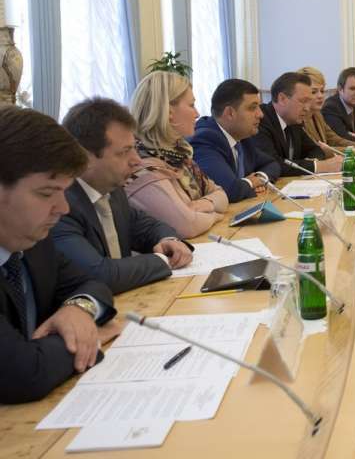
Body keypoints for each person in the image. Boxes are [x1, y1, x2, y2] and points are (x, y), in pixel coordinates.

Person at [0, 106, 120, 404]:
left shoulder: (32, 242)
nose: (63, 208)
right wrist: (85, 338)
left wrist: (78, 309)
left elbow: (92, 284)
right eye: (46, 193)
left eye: (64, 192)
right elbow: (23, 374)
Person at [52, 99, 194, 295]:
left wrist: (169, 240)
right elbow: (100, 275)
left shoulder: (113, 190)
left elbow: (149, 226)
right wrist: (163, 259)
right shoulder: (60, 206)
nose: (137, 160)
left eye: (134, 147)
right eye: (124, 152)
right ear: (85, 157)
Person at [126, 71, 228, 239]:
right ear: (168, 112)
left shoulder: (179, 157)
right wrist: (215, 216)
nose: (197, 113)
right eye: (191, 105)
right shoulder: (141, 165)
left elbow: (221, 195)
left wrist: (205, 203)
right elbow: (186, 226)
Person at [190, 79, 281, 202]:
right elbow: (229, 190)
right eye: (252, 108)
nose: (261, 114)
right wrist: (250, 183)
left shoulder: (242, 137)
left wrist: (259, 178)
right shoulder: (205, 139)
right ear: (230, 113)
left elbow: (273, 164)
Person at [251, 72, 344, 176]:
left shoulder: (293, 120)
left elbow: (315, 149)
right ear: (282, 99)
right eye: (303, 101)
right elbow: (272, 164)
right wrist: (319, 166)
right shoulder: (261, 121)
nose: (307, 108)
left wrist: (311, 162)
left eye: (308, 101)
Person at [298, 66, 355, 158]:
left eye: (322, 91)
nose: (320, 96)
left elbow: (335, 139)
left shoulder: (317, 114)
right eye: (314, 92)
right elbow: (318, 149)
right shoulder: (299, 119)